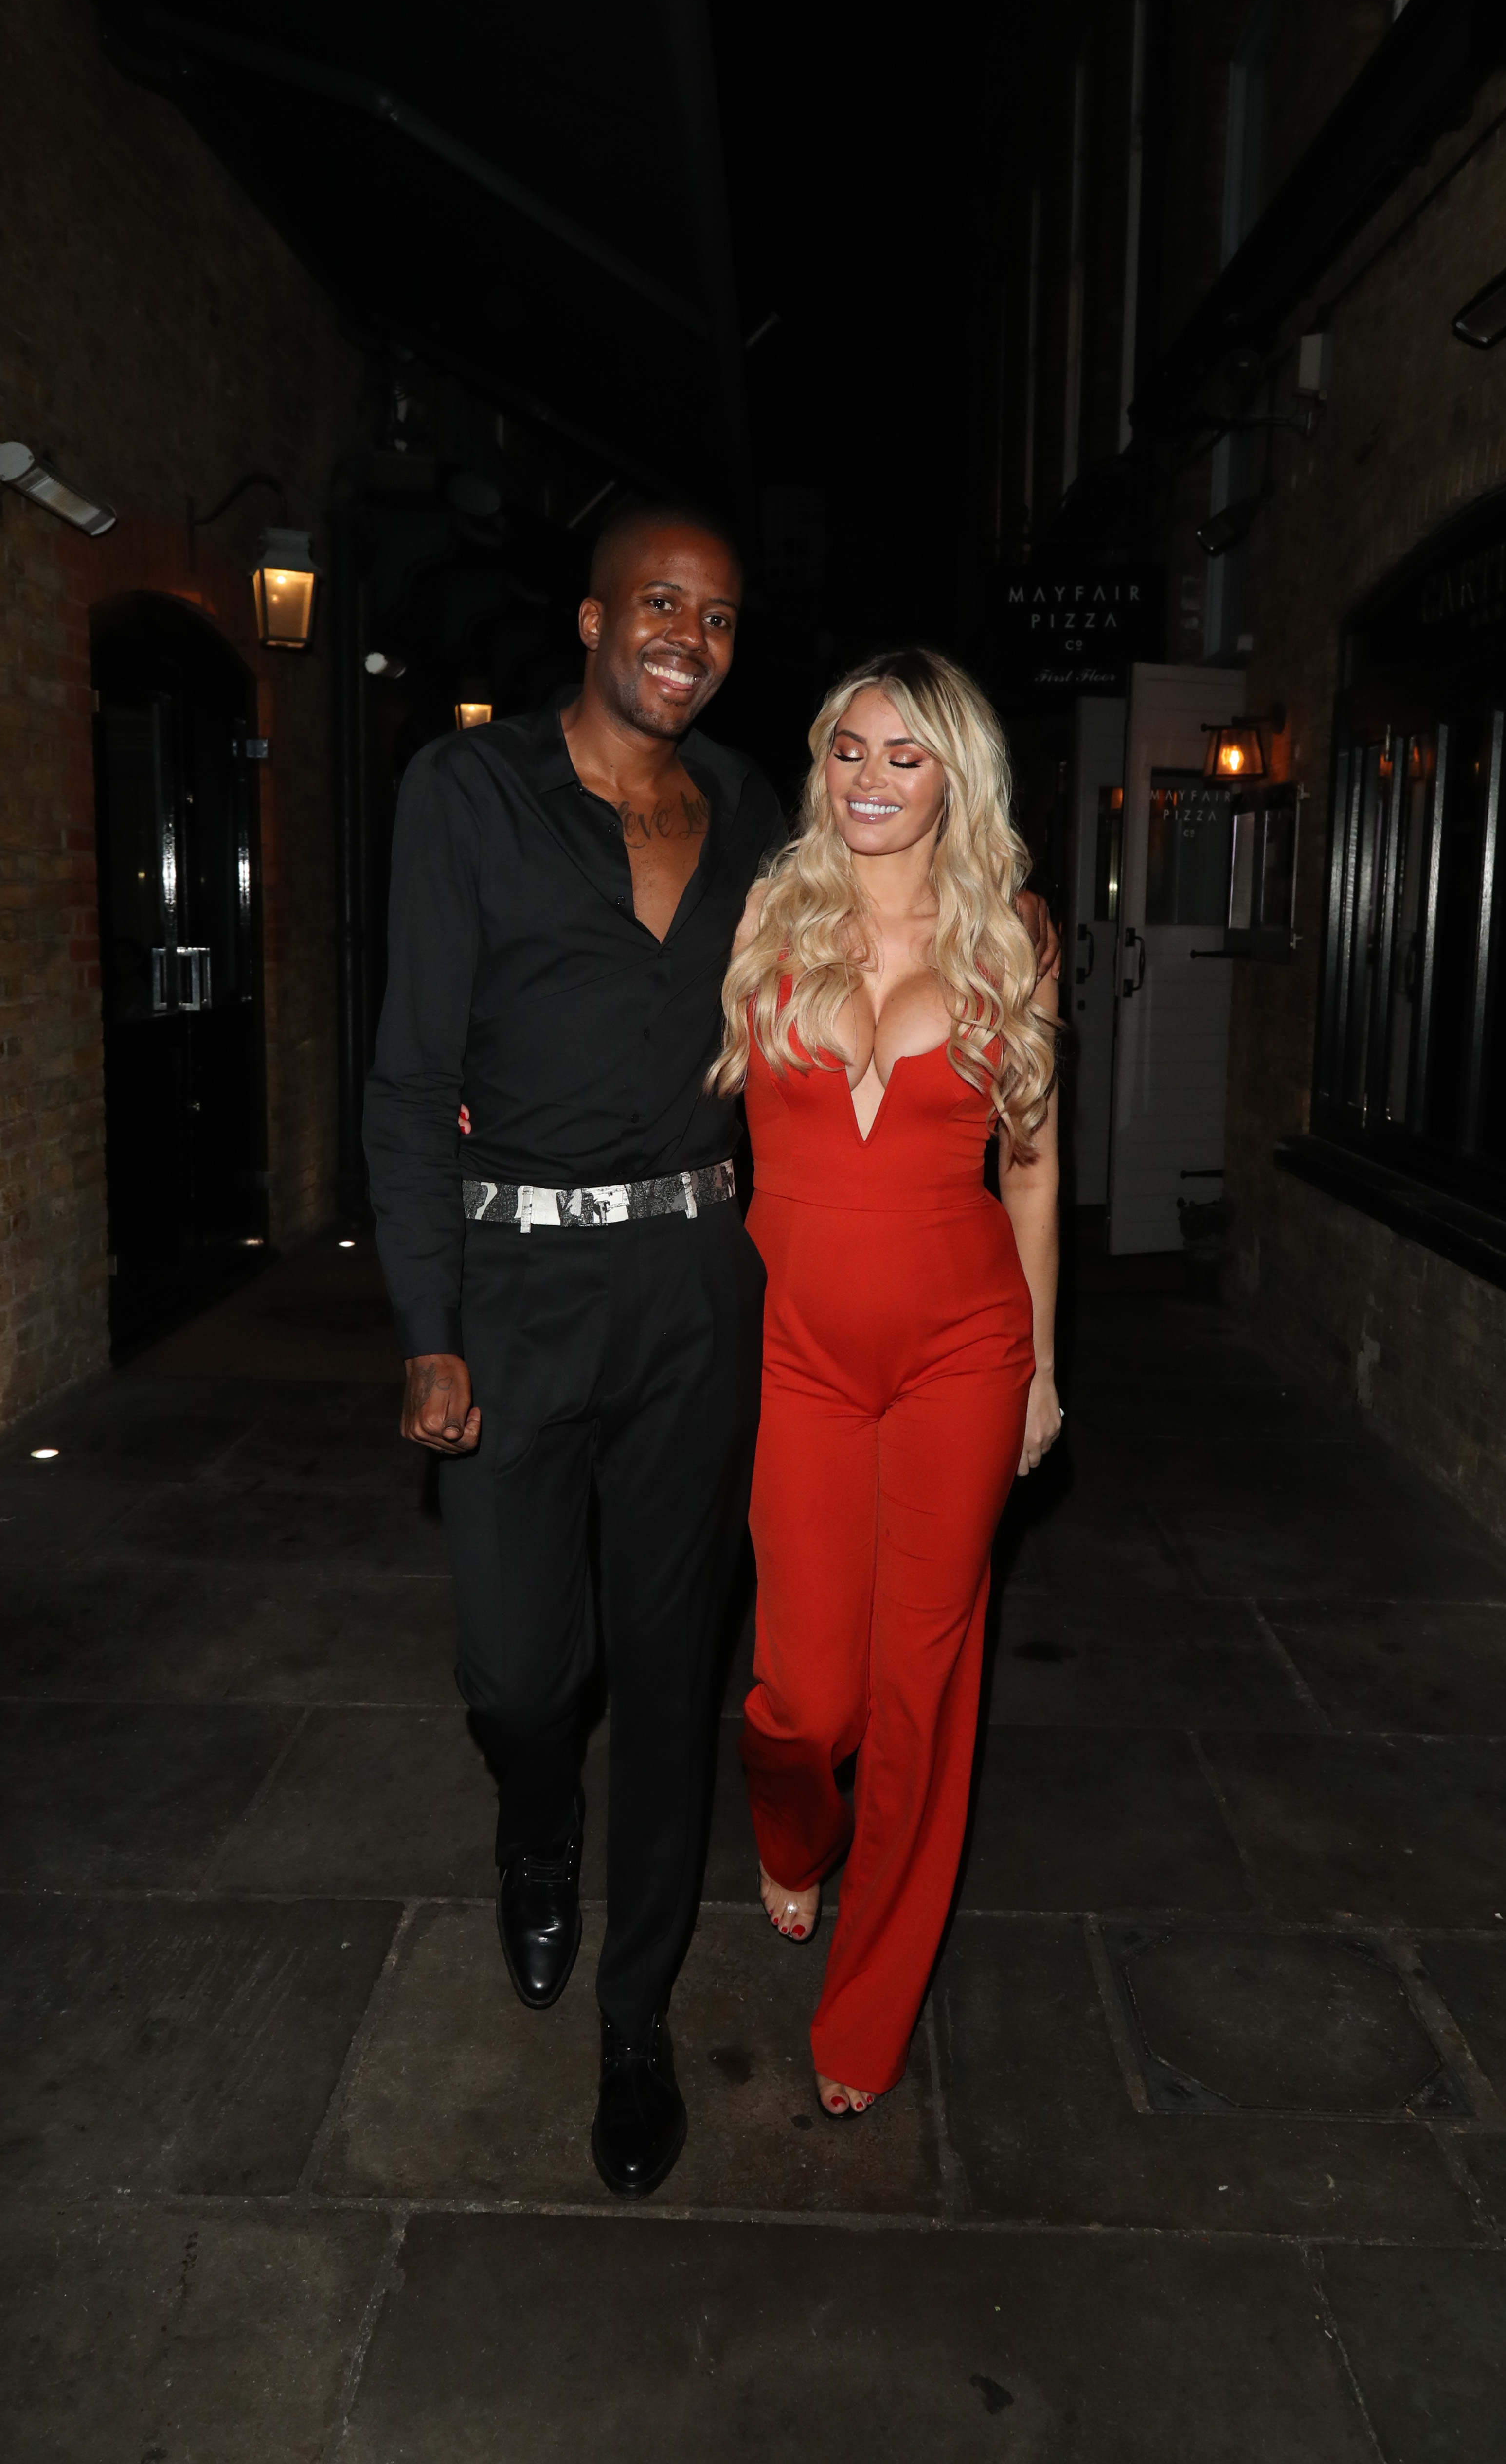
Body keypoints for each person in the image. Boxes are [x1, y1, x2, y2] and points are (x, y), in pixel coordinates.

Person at [364, 513, 1054, 2202]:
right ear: (594, 616)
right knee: (533, 1678)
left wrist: (1035, 1359)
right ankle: (543, 1821)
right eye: (661, 604)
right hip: (551, 1292)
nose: (688, 636)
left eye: (722, 617)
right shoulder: (493, 801)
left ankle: (642, 2021)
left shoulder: (773, 828)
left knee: (696, 1675)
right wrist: (431, 1312)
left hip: (716, 1294)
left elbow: (1015, 1137)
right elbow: (425, 1071)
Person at [709, 649, 1062, 2119]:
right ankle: (794, 1830)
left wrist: (1041, 1371)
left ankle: (868, 2013)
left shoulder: (1011, 937)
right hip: (794, 1352)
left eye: (905, 756)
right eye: (849, 750)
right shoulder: (770, 917)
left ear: (954, 779)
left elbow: (1030, 1171)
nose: (869, 779)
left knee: (924, 1691)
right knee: (805, 1698)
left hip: (962, 1355)